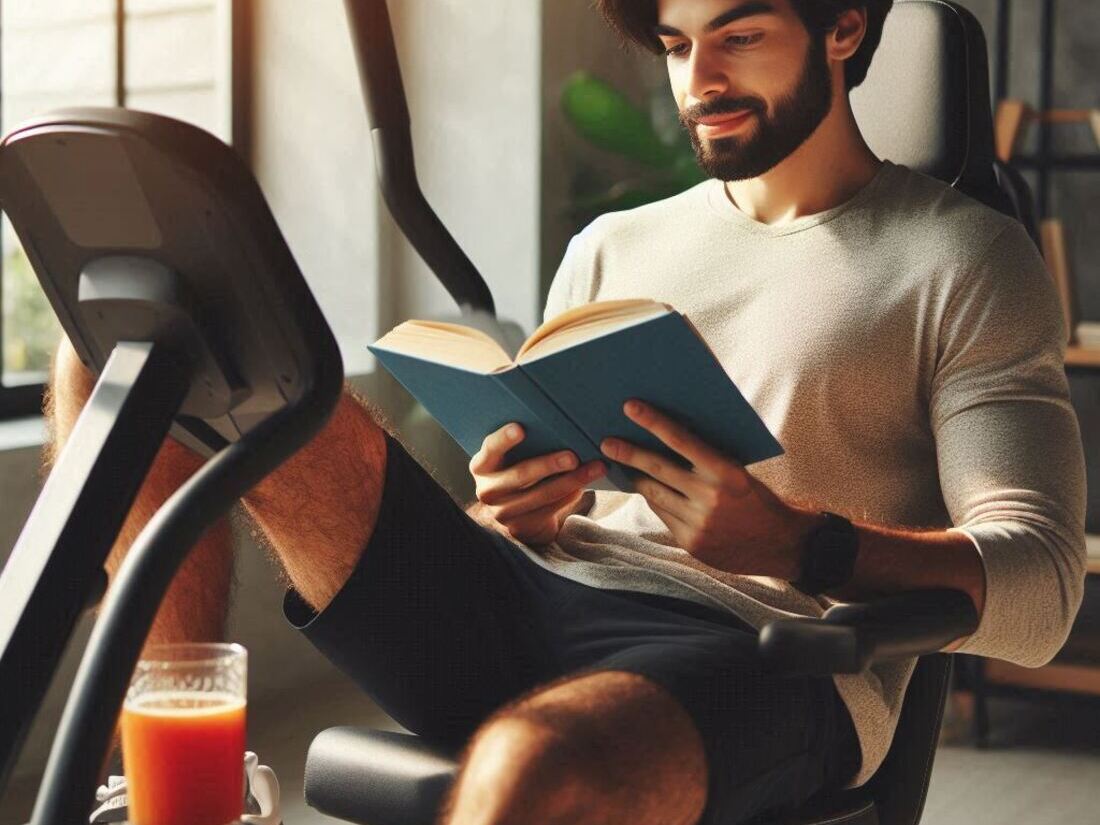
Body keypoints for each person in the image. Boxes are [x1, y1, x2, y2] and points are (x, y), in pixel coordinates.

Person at [46, 0, 1086, 823]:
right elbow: (538, 504)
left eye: (740, 36)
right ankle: (168, 795)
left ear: (843, 28)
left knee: (531, 770)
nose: (699, 81)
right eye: (677, 45)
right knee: (144, 344)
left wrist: (795, 544)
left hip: (760, 650)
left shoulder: (963, 260)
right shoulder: (613, 246)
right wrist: (517, 510)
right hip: (529, 590)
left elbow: (1038, 593)